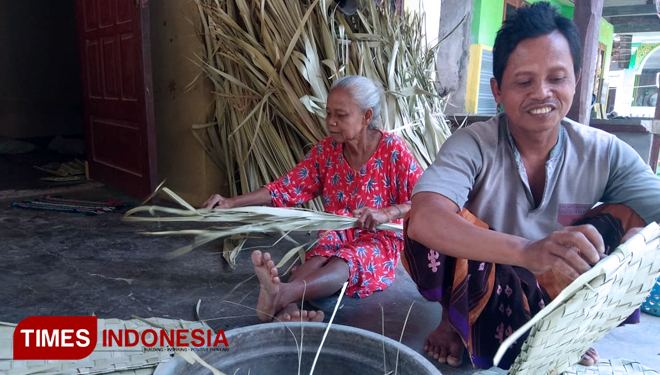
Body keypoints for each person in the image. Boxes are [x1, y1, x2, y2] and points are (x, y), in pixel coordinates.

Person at [403, 2, 660, 370]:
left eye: (557, 78)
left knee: (629, 220)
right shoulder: (473, 143)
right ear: (497, 89)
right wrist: (527, 251)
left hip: (555, 289)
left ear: (576, 79)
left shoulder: (605, 152)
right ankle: (454, 322)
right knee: (423, 221)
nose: (542, 93)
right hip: (481, 280)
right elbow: (426, 220)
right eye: (524, 82)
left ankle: (569, 330)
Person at [204, 75, 422, 323]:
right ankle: (288, 306)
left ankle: (283, 294)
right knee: (321, 251)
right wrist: (231, 202)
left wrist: (387, 213)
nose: (331, 122)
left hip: (379, 237)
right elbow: (284, 188)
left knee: (349, 258)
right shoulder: (326, 152)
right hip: (339, 229)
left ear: (367, 116)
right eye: (328, 113)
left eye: (341, 115)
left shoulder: (393, 150)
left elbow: (425, 200)